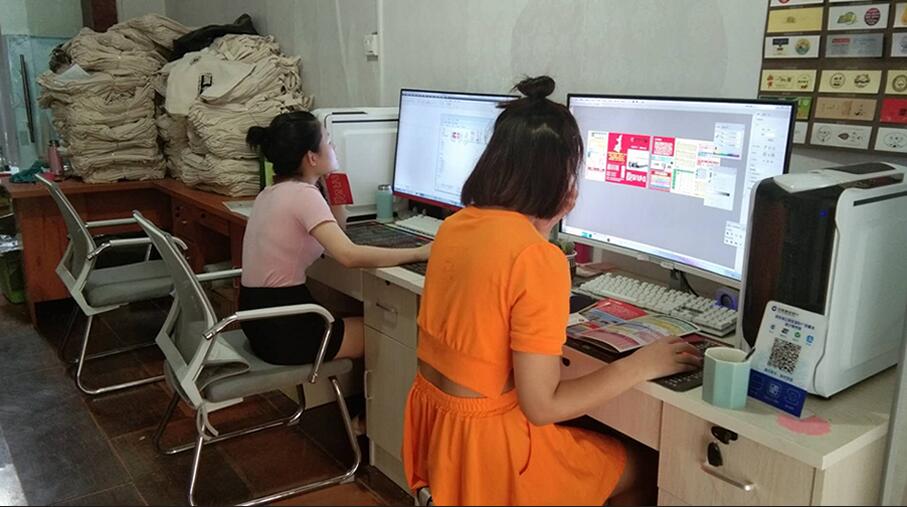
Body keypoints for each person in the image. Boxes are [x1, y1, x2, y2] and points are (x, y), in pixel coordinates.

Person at [401, 76, 702, 506]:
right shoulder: (536, 258)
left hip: (442, 438)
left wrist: (542, 229)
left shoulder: (454, 226)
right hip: (494, 454)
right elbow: (542, 407)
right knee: (645, 467)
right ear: (561, 179)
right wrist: (640, 365)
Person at [241, 111, 430, 367]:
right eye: (329, 142)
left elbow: (337, 228)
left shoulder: (270, 192)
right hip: (283, 329)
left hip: (259, 321)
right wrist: (419, 253)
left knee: (355, 314)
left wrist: (330, 180)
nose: (335, 147)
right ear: (312, 157)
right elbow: (348, 255)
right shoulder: (303, 195)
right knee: (381, 332)